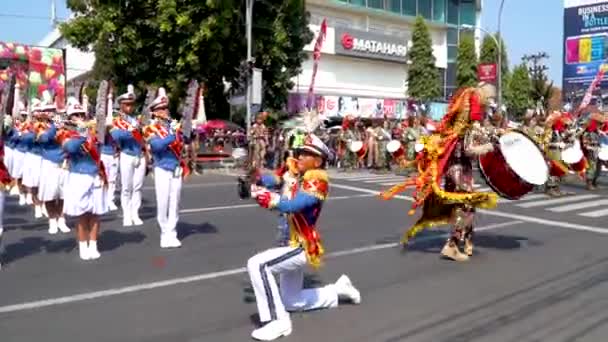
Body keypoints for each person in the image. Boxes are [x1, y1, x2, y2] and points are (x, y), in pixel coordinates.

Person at [246, 134, 360, 341]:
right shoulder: (296, 175)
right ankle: (337, 290)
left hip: (300, 245)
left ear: (317, 161)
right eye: (300, 152)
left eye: (306, 154)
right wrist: (256, 179)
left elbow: (293, 205)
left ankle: (277, 322)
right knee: (291, 300)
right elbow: (276, 179)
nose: (299, 156)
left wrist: (269, 199)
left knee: (257, 265)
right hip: (287, 242)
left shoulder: (318, 181)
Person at [381, 87, 499, 261]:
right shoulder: (469, 128)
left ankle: (467, 242)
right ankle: (452, 245)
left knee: (464, 206)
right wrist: (488, 148)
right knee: (466, 207)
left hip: (455, 169)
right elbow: (469, 150)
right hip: (460, 169)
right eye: (487, 104)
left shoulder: (458, 129)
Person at [61, 99, 109, 260]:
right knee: (81, 213)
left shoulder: (93, 132)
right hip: (78, 175)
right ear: (69, 118)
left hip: (95, 174)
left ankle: (93, 243)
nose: (79, 117)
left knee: (95, 212)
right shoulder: (65, 133)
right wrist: (81, 135)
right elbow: (70, 148)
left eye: (81, 114)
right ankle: (83, 244)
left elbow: (103, 144)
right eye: (75, 115)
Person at [144, 88, 188, 248]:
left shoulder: (174, 126)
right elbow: (157, 145)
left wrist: (185, 133)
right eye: (161, 109)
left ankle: (172, 232)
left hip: (176, 167)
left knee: (175, 202)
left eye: (166, 108)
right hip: (162, 168)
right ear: (154, 112)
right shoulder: (151, 128)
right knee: (163, 202)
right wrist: (172, 135)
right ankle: (164, 232)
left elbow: (184, 142)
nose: (165, 111)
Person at [111, 85, 146, 226]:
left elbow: (147, 135)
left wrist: (142, 129)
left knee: (138, 186)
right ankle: (126, 214)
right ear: (121, 105)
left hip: (140, 154)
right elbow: (116, 136)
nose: (129, 107)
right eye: (126, 105)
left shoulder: (137, 119)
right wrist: (131, 131)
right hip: (126, 154)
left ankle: (135, 212)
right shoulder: (117, 120)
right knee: (126, 187)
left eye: (131, 104)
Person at [37, 96, 71, 234]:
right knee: (49, 195)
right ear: (42, 113)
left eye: (52, 110)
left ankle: (62, 219)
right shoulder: (38, 126)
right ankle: (52, 220)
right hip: (49, 164)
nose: (50, 112)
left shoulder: (62, 123)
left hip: (64, 163)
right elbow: (44, 138)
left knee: (64, 194)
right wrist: (54, 127)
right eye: (47, 110)